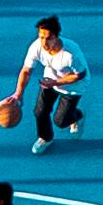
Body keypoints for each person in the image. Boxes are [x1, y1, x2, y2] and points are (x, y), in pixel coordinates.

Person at [12, 16, 89, 155]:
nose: (43, 42)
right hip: (50, 80)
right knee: (40, 112)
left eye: (48, 38)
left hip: (73, 86)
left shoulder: (71, 54)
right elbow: (26, 70)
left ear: (56, 37)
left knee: (61, 121)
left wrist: (55, 83)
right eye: (41, 37)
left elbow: (79, 75)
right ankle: (45, 137)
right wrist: (18, 94)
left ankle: (78, 115)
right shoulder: (36, 47)